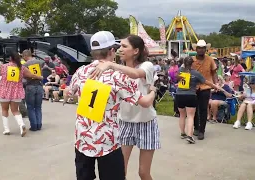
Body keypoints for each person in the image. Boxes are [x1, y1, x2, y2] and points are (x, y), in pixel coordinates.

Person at [65, 31, 157, 180]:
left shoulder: (81, 71)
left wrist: (69, 93)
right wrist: (153, 89)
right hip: (107, 141)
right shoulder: (118, 77)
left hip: (83, 139)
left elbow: (68, 92)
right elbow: (144, 102)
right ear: (112, 51)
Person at [90, 34, 160, 180]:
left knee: (143, 172)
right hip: (124, 123)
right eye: (119, 46)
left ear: (136, 51)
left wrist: (111, 64)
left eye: (124, 46)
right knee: (120, 171)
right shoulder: (114, 72)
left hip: (146, 122)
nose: (120, 49)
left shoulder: (146, 66)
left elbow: (135, 74)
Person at [0, 52, 43, 136]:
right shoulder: (22, 68)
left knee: (4, 110)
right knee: (15, 110)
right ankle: (21, 125)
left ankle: (6, 129)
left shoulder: (4, 66)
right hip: (16, 91)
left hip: (4, 91)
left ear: (10, 58)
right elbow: (31, 75)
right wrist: (40, 77)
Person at [176, 57, 221, 144]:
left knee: (182, 115)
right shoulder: (195, 73)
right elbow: (206, 82)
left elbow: (176, 78)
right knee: (190, 116)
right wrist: (216, 86)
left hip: (179, 95)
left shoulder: (180, 71)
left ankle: (182, 133)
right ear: (192, 64)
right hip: (190, 95)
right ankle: (190, 136)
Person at [191, 40, 217, 140]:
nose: (201, 50)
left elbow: (214, 72)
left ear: (206, 49)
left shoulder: (210, 60)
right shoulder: (192, 60)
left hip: (206, 87)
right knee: (194, 109)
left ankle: (202, 130)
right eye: (199, 48)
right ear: (196, 49)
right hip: (193, 87)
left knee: (203, 109)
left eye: (203, 48)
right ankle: (196, 128)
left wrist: (216, 84)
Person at [22, 49, 44, 131]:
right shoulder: (40, 62)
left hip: (30, 86)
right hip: (39, 86)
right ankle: (39, 124)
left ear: (25, 56)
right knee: (38, 107)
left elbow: (24, 78)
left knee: (30, 107)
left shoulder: (25, 65)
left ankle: (34, 126)